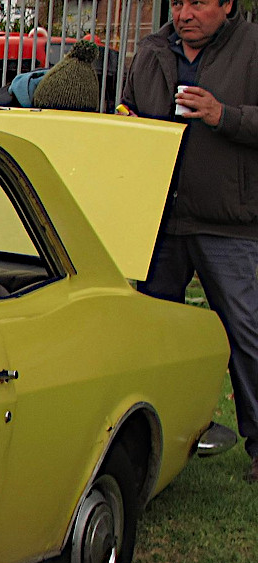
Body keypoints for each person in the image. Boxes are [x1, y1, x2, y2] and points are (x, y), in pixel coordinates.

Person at [121, 0, 258, 483]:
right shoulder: (151, 50)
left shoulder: (253, 47)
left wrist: (225, 116)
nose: (184, 13)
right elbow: (127, 108)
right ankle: (153, 446)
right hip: (160, 223)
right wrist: (126, 120)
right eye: (177, 3)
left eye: (197, 2)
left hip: (226, 222)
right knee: (154, 341)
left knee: (246, 334)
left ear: (227, 4)